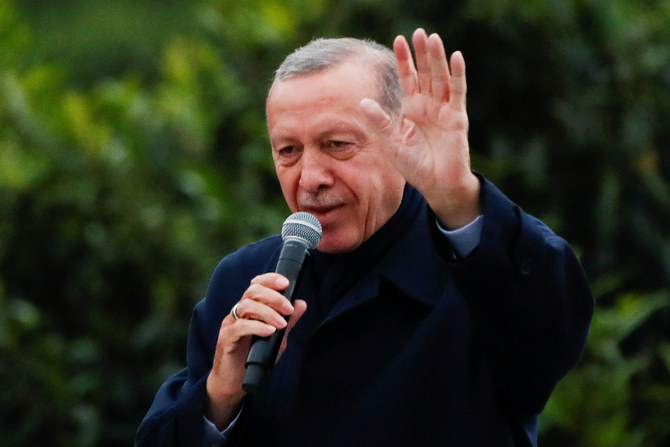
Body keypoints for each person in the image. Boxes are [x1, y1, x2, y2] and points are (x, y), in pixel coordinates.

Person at [135, 28, 593, 447]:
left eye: (338, 144)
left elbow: (553, 332)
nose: (311, 177)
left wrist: (458, 198)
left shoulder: (477, 273)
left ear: (404, 138)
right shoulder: (244, 282)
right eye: (288, 151)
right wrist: (219, 399)